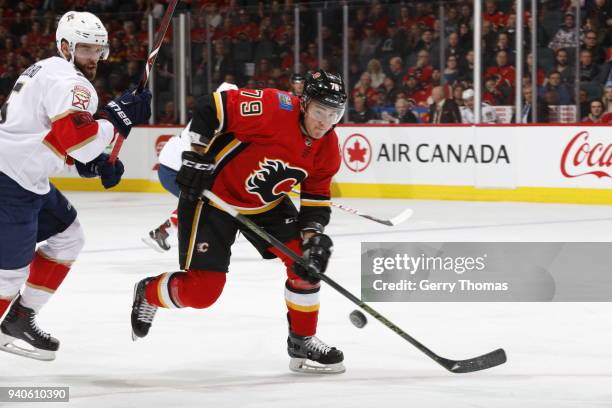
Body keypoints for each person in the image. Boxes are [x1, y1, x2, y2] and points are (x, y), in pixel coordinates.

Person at [130, 70, 347, 374]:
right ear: (304, 103)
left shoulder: (327, 149)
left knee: (305, 264)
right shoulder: (273, 107)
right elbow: (210, 107)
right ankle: (149, 291)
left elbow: (315, 198)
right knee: (203, 292)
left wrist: (314, 238)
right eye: (320, 111)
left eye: (334, 114)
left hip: (266, 204)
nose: (325, 122)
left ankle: (302, 341)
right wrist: (195, 155)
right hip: (214, 197)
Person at [0, 11, 151, 361]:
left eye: (99, 50)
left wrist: (92, 163)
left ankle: (21, 318)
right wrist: (116, 119)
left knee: (69, 236)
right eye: (85, 49)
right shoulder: (73, 83)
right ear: (65, 46)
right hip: (11, 182)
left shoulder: (46, 69)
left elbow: (51, 136)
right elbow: (80, 139)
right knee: (9, 276)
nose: (94, 58)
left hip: (24, 175)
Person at [143, 83, 238, 253]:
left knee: (201, 204)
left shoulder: (209, 111)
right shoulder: (218, 119)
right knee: (202, 204)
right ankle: (164, 232)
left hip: (172, 166)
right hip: (177, 169)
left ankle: (165, 233)